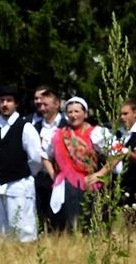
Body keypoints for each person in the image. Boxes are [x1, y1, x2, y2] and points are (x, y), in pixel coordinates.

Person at [42, 97, 115, 230]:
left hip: (87, 184)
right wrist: (53, 174)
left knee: (87, 222)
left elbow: (118, 152)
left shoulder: (96, 133)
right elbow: (45, 155)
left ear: (85, 113)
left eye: (77, 111)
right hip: (64, 186)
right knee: (64, 225)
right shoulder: (58, 134)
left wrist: (100, 174)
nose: (73, 115)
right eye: (70, 112)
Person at [0, 86, 43, 242]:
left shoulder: (26, 127)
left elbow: (35, 158)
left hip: (18, 185)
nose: (4, 104)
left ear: (15, 104)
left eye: (9, 101)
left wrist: (22, 173)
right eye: (2, 100)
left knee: (22, 229)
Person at [33, 89, 67, 229]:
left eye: (46, 105)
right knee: (42, 213)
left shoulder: (66, 124)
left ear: (57, 104)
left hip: (61, 176)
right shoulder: (36, 126)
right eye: (40, 105)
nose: (42, 108)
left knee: (59, 215)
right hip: (40, 175)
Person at [118, 100, 136, 205]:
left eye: (125, 114)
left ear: (135, 113)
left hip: (133, 184)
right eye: (120, 114)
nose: (122, 117)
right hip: (118, 183)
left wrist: (126, 152)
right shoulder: (118, 133)